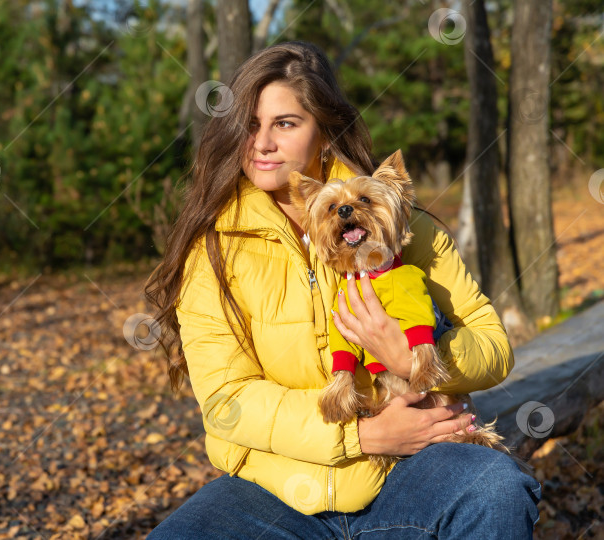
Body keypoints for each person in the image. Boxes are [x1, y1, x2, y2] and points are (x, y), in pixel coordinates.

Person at [144, 41, 540, 539]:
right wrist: (361, 436)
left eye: (285, 123)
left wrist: (409, 355)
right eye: (250, 123)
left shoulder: (396, 222)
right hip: (274, 486)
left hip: (409, 470)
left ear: (325, 132)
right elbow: (228, 400)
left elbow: (495, 349)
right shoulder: (214, 251)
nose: (262, 142)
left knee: (495, 489)